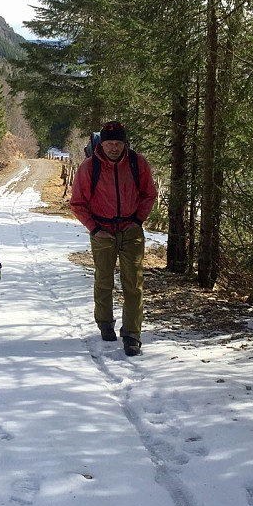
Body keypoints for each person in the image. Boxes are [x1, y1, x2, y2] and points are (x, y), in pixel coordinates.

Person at [70, 120, 157, 356]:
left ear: (125, 143)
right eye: (109, 143)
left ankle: (132, 334)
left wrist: (137, 221)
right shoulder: (90, 168)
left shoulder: (137, 164)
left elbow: (149, 194)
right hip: (102, 231)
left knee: (134, 284)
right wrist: (95, 229)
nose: (114, 148)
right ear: (102, 144)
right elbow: (77, 202)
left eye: (118, 143)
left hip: (131, 230)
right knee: (104, 280)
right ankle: (105, 323)